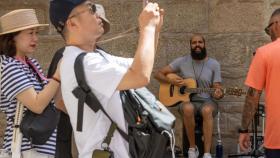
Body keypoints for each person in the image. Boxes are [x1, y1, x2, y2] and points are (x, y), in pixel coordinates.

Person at [49, 0, 163, 158]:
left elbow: (141, 65)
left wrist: (154, 29)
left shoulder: (94, 57)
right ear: (73, 23)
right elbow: (140, 76)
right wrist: (147, 27)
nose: (98, 13)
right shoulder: (84, 62)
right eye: (91, 8)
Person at [47, 4, 111, 158]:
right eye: (94, 17)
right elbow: (58, 100)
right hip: (68, 130)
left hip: (96, 136)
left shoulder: (103, 55)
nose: (99, 22)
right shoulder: (64, 55)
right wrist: (90, 117)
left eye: (101, 21)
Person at [0, 9, 61, 158]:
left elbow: (50, 99)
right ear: (12, 37)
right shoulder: (7, 66)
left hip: (43, 148)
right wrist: (58, 76)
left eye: (36, 33)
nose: (36, 39)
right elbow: (37, 105)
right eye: (30, 33)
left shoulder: (31, 64)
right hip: (24, 149)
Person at [154, 34, 224, 158]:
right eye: (194, 43)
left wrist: (219, 93)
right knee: (187, 108)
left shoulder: (214, 64)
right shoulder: (182, 61)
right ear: (190, 45)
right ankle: (192, 149)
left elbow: (216, 87)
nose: (197, 45)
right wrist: (172, 82)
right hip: (188, 101)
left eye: (200, 42)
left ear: (204, 44)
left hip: (207, 101)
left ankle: (207, 153)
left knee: (207, 110)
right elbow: (158, 74)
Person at [239, 8, 280, 158]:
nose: (269, 34)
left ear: (276, 24)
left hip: (277, 138)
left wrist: (244, 130)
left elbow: (253, 95)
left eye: (268, 29)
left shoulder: (264, 52)